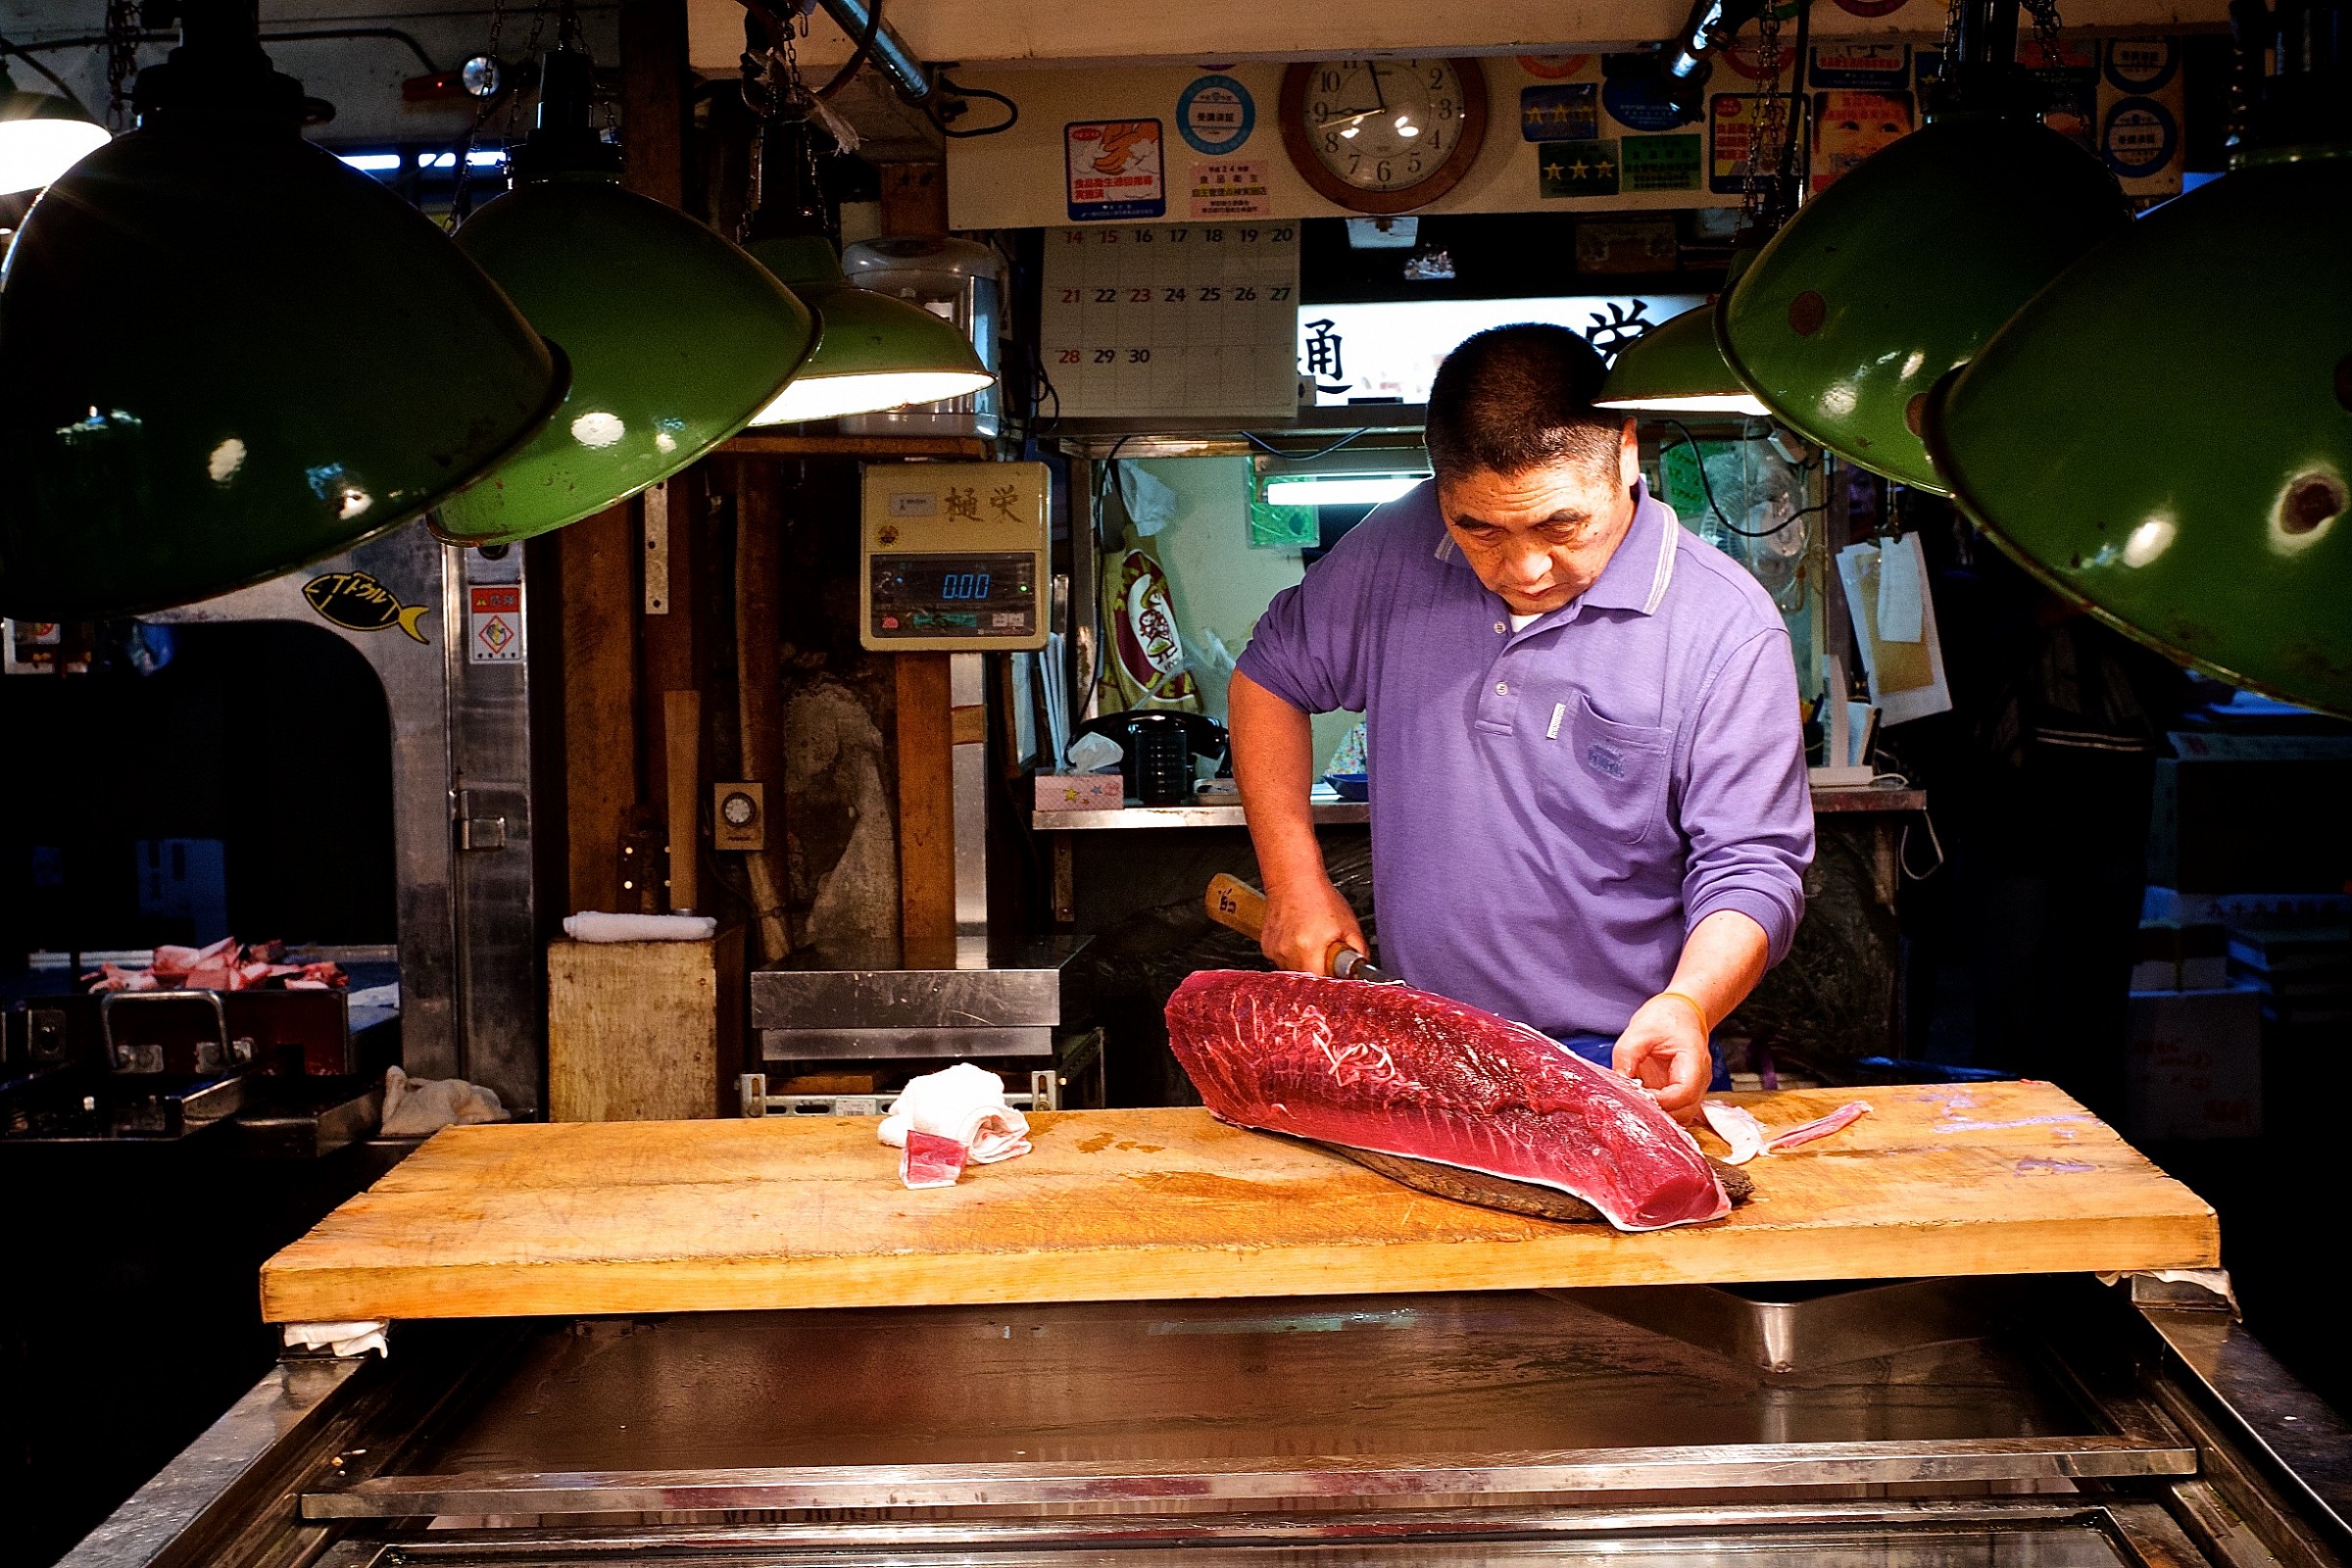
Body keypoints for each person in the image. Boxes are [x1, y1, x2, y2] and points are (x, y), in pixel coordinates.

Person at [1227, 324, 1813, 1114]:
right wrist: (1293, 877)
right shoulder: (1399, 545)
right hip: (1419, 1044)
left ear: (1627, 455)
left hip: (1617, 1056)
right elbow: (1270, 676)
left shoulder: (1726, 628)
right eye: (1481, 530)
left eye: (1560, 527)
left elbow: (1751, 867)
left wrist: (1688, 1005)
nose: (1525, 569)